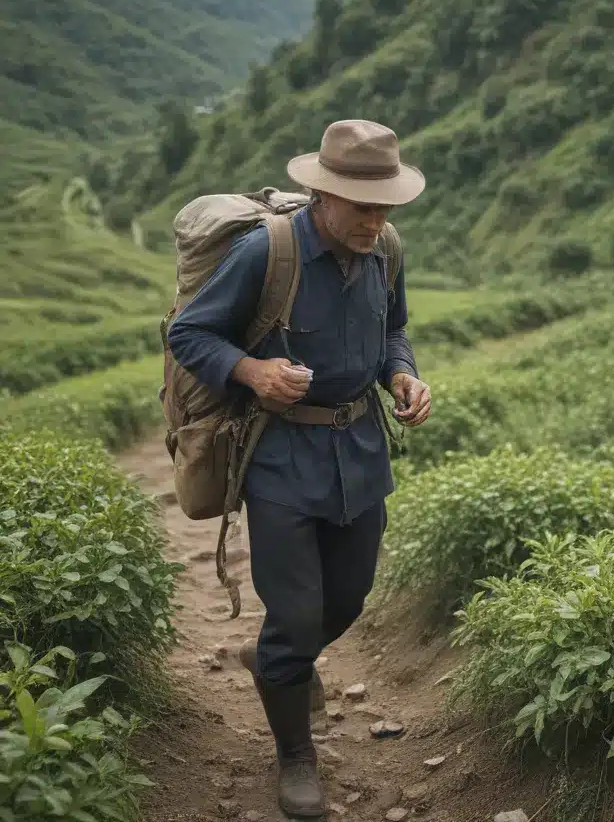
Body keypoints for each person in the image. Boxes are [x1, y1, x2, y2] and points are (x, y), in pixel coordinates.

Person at [167, 120, 431, 817]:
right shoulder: (267, 253)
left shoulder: (385, 252)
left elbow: (394, 331)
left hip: (362, 453)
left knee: (347, 598)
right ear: (322, 195)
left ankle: (279, 662)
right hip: (280, 457)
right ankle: (295, 757)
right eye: (363, 207)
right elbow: (190, 333)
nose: (378, 220)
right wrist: (250, 369)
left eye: (386, 207)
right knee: (293, 614)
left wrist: (402, 377)